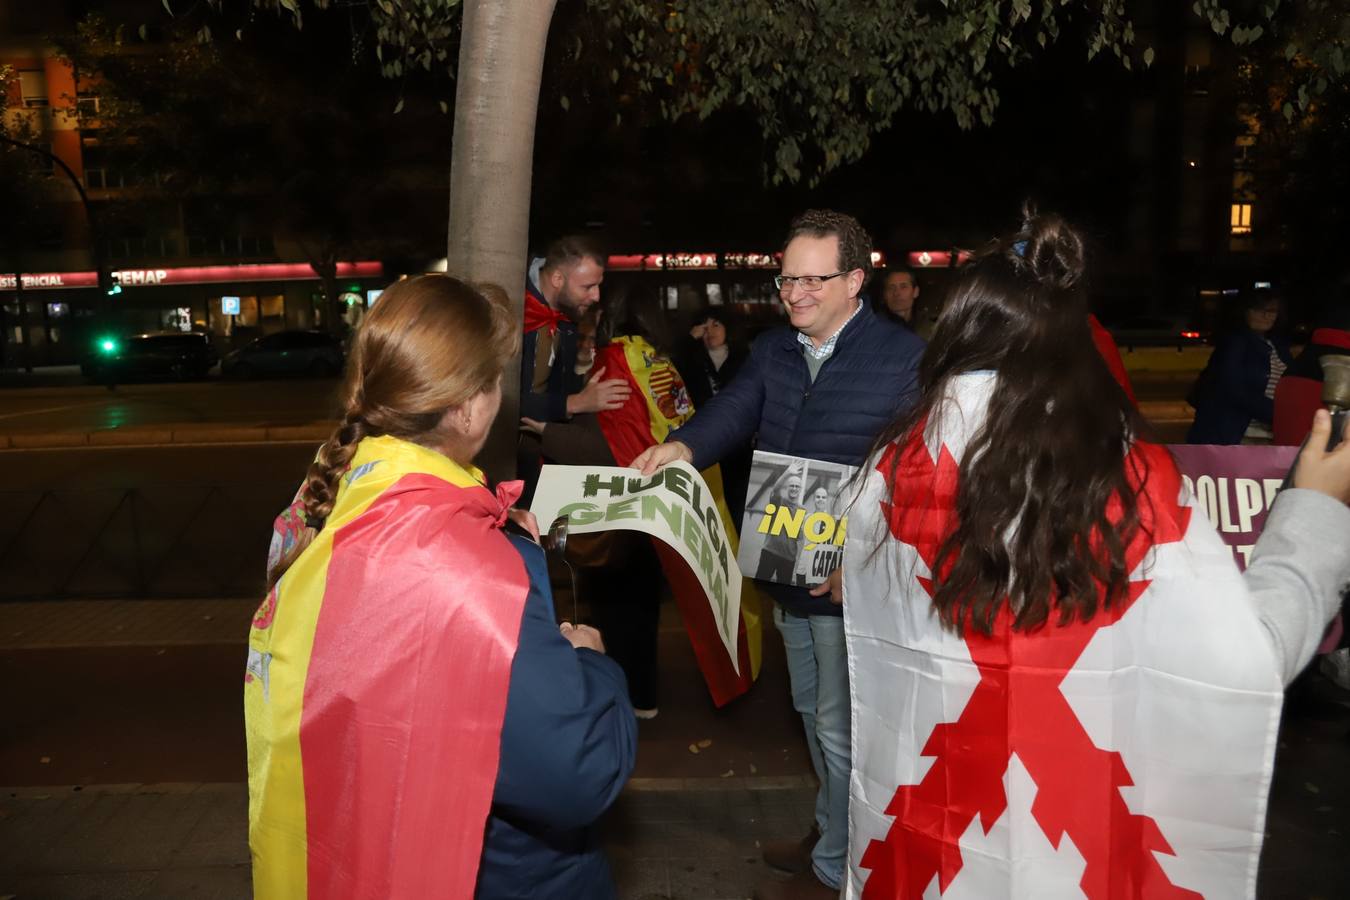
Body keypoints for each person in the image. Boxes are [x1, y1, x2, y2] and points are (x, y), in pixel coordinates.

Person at [842, 211, 1350, 899]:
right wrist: (1317, 510)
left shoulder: (890, 467)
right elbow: (1247, 660)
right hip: (1075, 862)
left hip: (935, 848)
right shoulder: (1127, 479)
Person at [247, 275, 637, 900]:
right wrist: (594, 665)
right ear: (467, 406)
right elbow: (578, 773)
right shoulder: (470, 566)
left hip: (357, 847)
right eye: (496, 380)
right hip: (489, 874)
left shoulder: (329, 497)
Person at [635, 209, 926, 900]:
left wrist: (864, 564)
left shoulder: (905, 360)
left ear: (855, 279)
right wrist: (682, 446)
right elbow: (734, 409)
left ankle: (845, 864)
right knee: (809, 711)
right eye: (787, 277)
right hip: (784, 561)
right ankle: (831, 831)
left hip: (846, 577)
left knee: (839, 722)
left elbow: (917, 475)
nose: (794, 292)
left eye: (812, 279)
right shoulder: (772, 350)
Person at [518, 236, 631, 503]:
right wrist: (575, 403)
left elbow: (554, 383)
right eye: (588, 286)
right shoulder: (515, 305)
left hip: (544, 464)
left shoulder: (567, 311)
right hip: (509, 467)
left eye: (598, 286)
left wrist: (582, 387)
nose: (596, 296)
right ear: (557, 279)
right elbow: (506, 400)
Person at [1188, 291, 1293, 444]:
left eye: (1272, 311)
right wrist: (1280, 414)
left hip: (1269, 437)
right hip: (1235, 437)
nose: (1266, 316)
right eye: (1259, 310)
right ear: (1244, 311)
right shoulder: (1235, 343)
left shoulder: (1279, 347)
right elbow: (1234, 389)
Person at [680, 309, 753, 527]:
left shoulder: (744, 358)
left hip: (739, 442)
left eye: (716, 325)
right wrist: (688, 340)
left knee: (738, 497)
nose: (710, 331)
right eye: (705, 327)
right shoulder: (693, 360)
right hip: (703, 436)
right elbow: (673, 366)